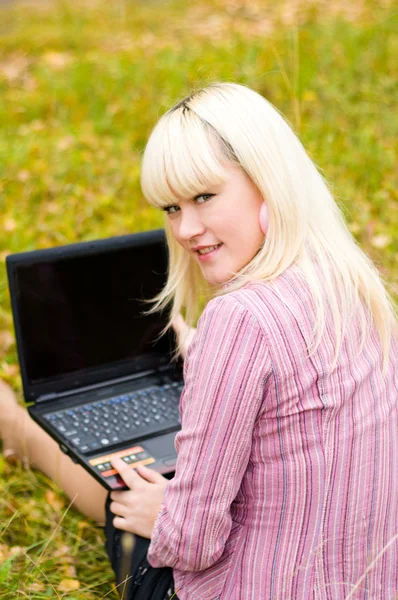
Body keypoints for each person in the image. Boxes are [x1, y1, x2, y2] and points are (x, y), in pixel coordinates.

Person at [1, 82, 397, 599]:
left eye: (204, 197)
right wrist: (203, 353)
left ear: (268, 181)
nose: (186, 229)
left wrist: (159, 511)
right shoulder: (350, 283)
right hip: (367, 583)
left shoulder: (239, 320)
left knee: (126, 496)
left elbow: (190, 541)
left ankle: (17, 431)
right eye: (170, 208)